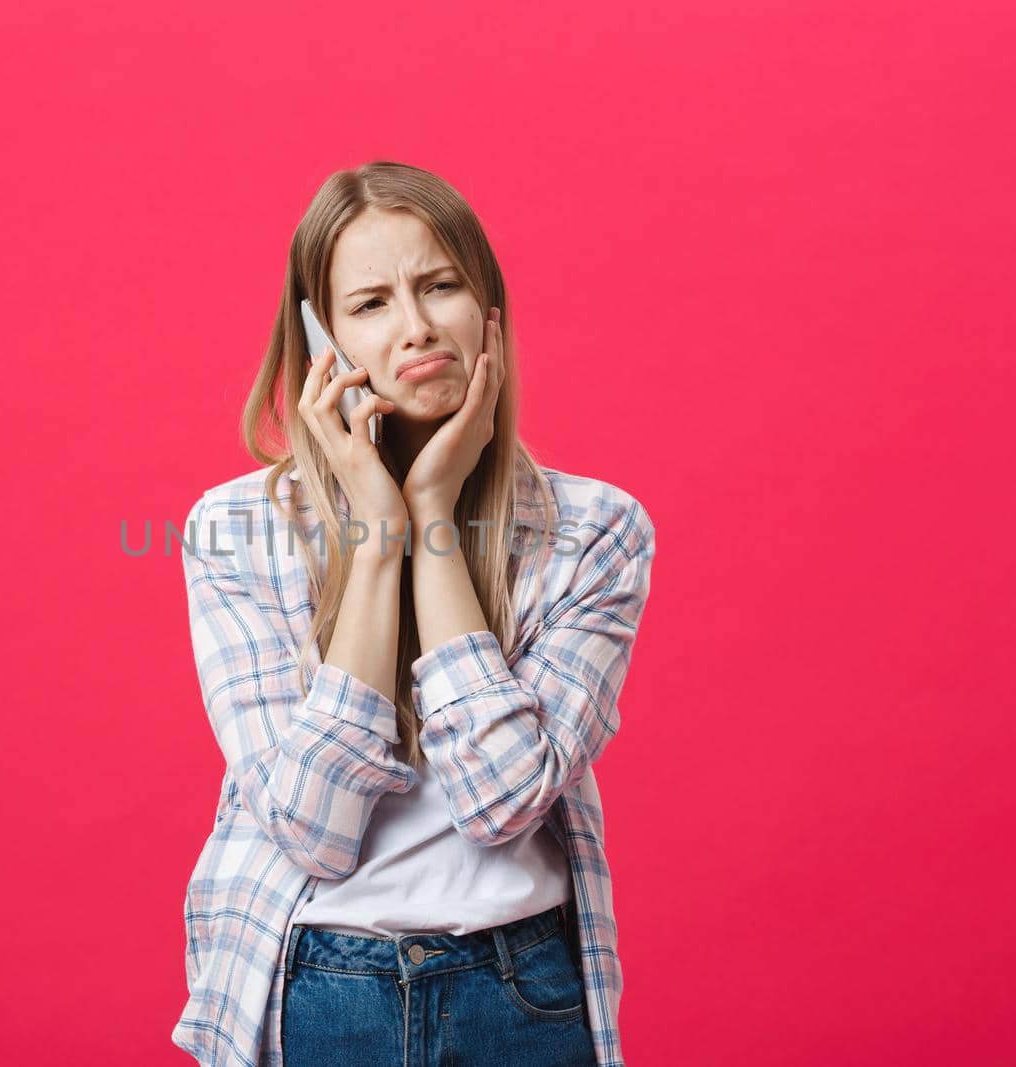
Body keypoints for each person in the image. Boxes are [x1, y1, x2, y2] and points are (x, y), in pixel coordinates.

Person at [173, 161, 657, 1067]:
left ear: (490, 312)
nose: (418, 326)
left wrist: (433, 514)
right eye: (370, 303)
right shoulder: (235, 532)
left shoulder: (596, 530)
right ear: (320, 342)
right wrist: (380, 534)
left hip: (521, 989)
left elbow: (505, 800)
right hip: (319, 988)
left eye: (439, 285)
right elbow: (312, 829)